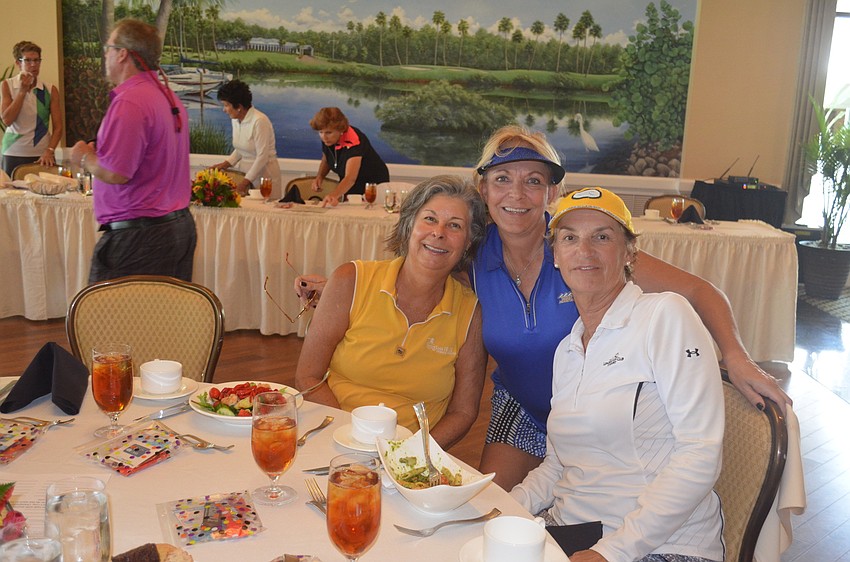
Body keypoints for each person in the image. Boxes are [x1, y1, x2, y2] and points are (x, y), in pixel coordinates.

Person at [295, 126, 790, 489]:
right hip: (523, 410)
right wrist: (339, 290)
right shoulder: (474, 254)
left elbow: (701, 292)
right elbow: (423, 258)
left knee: (603, 508)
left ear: (552, 192)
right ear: (483, 188)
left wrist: (737, 357)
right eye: (503, 179)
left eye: (533, 181)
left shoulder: (584, 249)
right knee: (488, 504)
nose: (517, 193)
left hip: (604, 415)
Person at [511, 187, 724, 562]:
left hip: (660, 546)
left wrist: (611, 553)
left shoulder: (664, 316)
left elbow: (700, 451)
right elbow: (558, 464)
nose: (585, 251)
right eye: (570, 238)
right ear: (556, 257)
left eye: (602, 237)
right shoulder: (568, 350)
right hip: (571, 534)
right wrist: (503, 508)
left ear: (629, 253)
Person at [294, 175, 487, 449]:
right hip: (331, 437)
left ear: (469, 242)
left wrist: (411, 455)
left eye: (455, 225)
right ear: (409, 225)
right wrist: (351, 437)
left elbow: (464, 412)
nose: (439, 232)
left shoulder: (471, 313)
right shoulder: (351, 279)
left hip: (410, 457)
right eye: (430, 219)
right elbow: (308, 376)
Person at [69, 19, 195, 283]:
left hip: (140, 238)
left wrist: (84, 156)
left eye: (109, 47)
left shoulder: (130, 102)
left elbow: (116, 173)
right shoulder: (167, 97)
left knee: (116, 320)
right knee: (164, 320)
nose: (105, 54)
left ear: (123, 53)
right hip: (176, 228)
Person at [1, 41, 63, 176]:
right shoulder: (7, 85)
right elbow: (7, 120)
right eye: (28, 61)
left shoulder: (50, 89)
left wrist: (50, 150)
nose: (33, 65)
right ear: (18, 63)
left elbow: (58, 127)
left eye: (36, 60)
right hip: (13, 151)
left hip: (42, 154)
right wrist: (22, 92)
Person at [211, 79, 281, 198]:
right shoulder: (235, 120)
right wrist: (224, 165)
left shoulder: (259, 121)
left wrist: (244, 183)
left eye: (226, 105)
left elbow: (262, 157)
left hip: (264, 176)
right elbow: (241, 148)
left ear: (239, 106)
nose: (224, 109)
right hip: (245, 174)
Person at [308, 107, 389, 207]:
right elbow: (327, 158)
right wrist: (320, 176)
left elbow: (350, 178)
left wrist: (333, 195)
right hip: (349, 182)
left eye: (328, 132)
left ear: (341, 130)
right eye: (320, 132)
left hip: (372, 183)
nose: (324, 137)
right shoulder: (328, 139)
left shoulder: (354, 140)